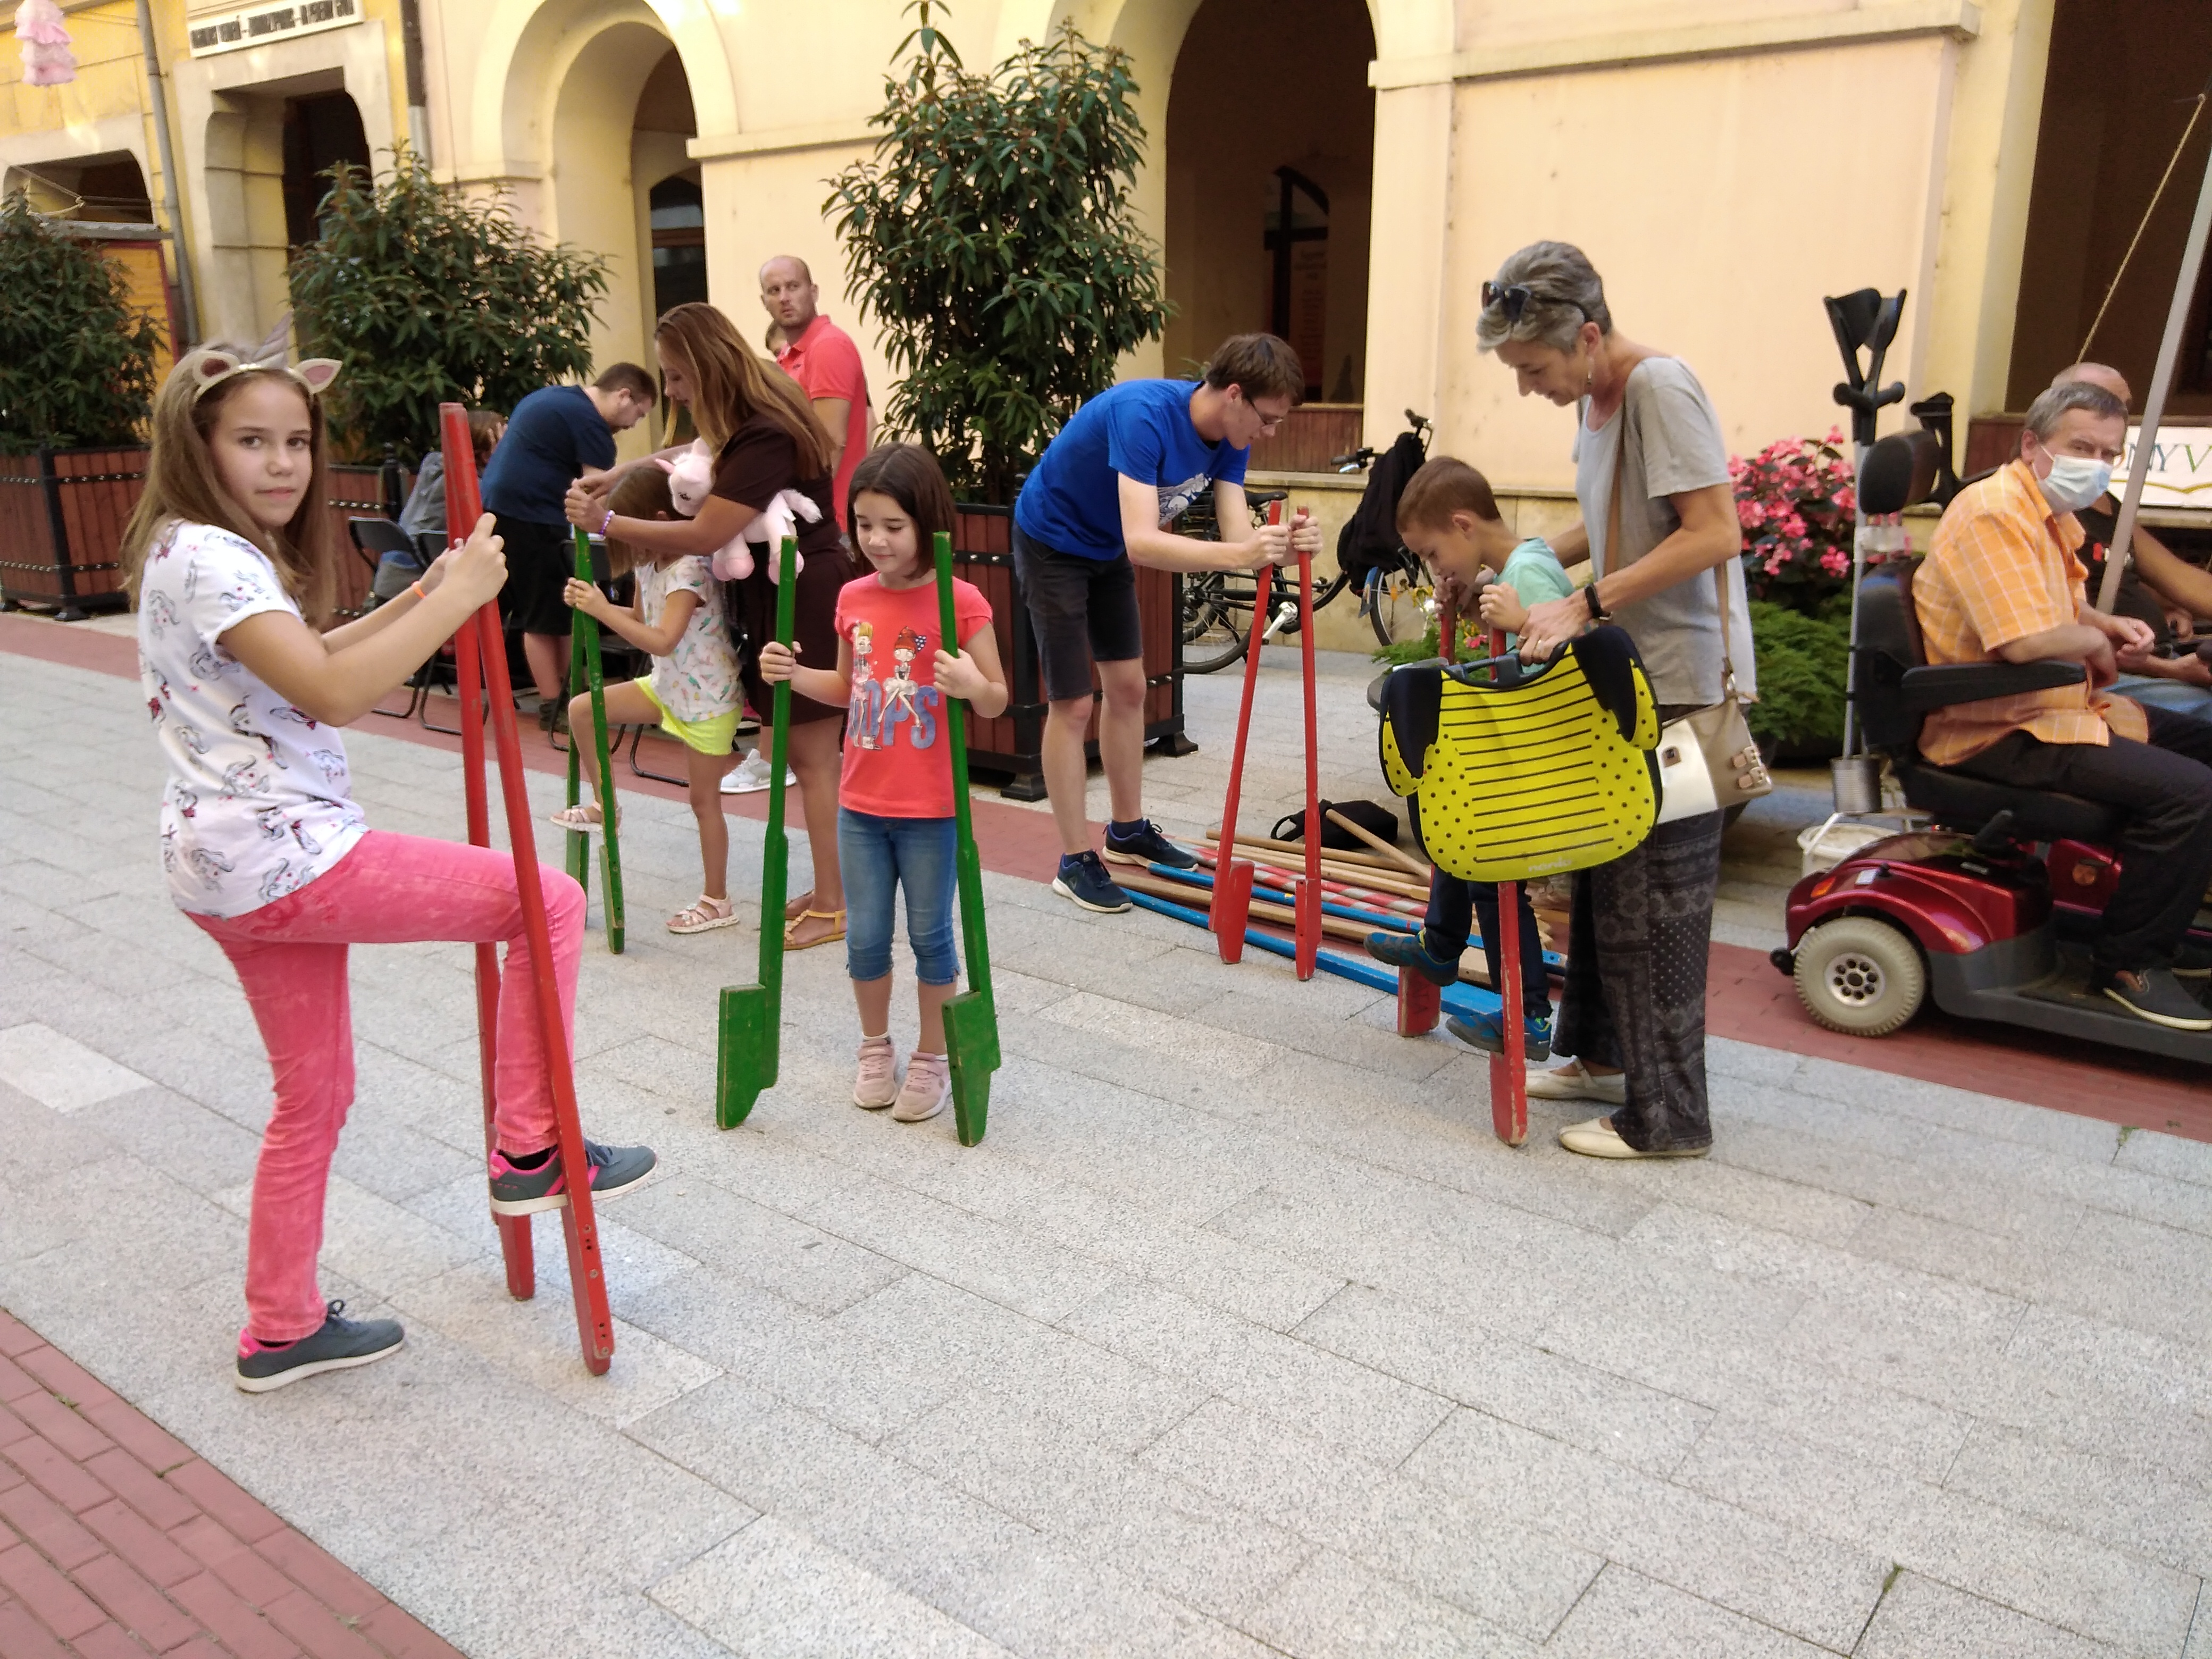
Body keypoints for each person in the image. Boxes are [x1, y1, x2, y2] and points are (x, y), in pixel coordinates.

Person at [122, 340, 655, 1393]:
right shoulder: (215, 557)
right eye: (252, 441)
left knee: (313, 1094)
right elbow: (333, 694)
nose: (283, 463)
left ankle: (280, 1326)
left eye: (297, 441)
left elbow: (314, 658)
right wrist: (456, 603)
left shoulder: (191, 549)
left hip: (223, 866)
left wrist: (425, 596)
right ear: (196, 444)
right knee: (547, 900)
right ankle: (531, 1146)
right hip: (283, 852)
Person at [1477, 240, 1752, 1160]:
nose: (1529, 388)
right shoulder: (1597, 401)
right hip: (1629, 680)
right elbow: (1609, 525)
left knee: (1658, 908)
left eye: (1535, 368)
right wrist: (1518, 562)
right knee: (1604, 878)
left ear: (1588, 336)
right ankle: (1600, 1057)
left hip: (1679, 693)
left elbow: (1715, 532)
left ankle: (1669, 1119)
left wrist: (1583, 604)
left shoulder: (1658, 388)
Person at [1915, 378, 2212, 1029]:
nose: (2096, 465)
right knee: (2191, 794)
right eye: (2081, 448)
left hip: (2056, 711)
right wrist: (2095, 641)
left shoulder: (2045, 512)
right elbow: (2023, 642)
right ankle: (2129, 964)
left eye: (2108, 454)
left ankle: (2163, 924)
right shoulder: (1993, 511)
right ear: (2031, 444)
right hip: (1999, 727)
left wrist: (2104, 624)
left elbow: (2060, 604)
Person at [568, 301, 856, 950]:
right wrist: (623, 473)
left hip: (803, 591)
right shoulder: (754, 410)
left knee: (813, 759)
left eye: (675, 376)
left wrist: (606, 523)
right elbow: (700, 454)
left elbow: (704, 532)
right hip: (784, 587)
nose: (671, 391)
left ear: (704, 365)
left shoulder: (764, 432)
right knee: (803, 756)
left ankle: (835, 903)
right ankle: (832, 887)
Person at [1013, 333, 1321, 913]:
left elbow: (1238, 537)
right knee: (1072, 703)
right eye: (1268, 419)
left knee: (1129, 687)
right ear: (1235, 395)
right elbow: (1143, 542)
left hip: (1104, 546)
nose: (1270, 433)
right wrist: (1244, 552)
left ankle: (1127, 831)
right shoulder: (1145, 415)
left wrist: (1283, 546)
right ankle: (1074, 860)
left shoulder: (1230, 437)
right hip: (1052, 540)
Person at [759, 445, 1009, 1121]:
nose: (875, 540)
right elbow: (848, 687)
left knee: (930, 936)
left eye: (892, 526)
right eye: (864, 524)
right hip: (860, 805)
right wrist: (791, 674)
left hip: (932, 808)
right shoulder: (853, 597)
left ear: (927, 521)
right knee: (865, 936)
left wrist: (970, 683)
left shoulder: (960, 599)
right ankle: (875, 1047)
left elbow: (996, 699)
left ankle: (932, 1056)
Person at [1363, 457, 1569, 1054]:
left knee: (1492, 878)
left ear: (1462, 525)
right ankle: (1440, 944)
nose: (1433, 568)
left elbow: (1565, 659)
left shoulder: (1529, 574)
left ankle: (1529, 1016)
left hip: (1536, 765)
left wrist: (1523, 619)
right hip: (1515, 757)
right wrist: (1468, 602)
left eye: (1432, 554)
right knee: (1454, 828)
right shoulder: (1515, 565)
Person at [552, 466, 745, 934]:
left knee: (703, 802)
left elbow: (661, 638)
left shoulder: (690, 568)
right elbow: (641, 618)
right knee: (582, 710)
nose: (631, 548)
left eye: (631, 535)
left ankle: (717, 900)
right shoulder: (649, 562)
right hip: (668, 686)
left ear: (659, 521)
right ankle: (607, 804)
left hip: (708, 699)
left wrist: (601, 610)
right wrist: (591, 602)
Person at [481, 364, 657, 720]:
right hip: (534, 517)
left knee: (555, 611)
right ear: (623, 396)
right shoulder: (590, 424)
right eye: (638, 415)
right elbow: (600, 492)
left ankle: (568, 694)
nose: (633, 425)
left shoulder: (551, 398)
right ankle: (555, 705)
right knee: (544, 616)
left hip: (499, 511)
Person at [2049, 362, 2212, 721]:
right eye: (2096, 402)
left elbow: (2179, 579)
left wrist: (2165, 606)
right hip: (2105, 674)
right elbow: (2058, 624)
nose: (2112, 415)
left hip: (2163, 656)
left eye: (2122, 408)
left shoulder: (2102, 501)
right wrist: (2170, 670)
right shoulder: (2040, 507)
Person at [759, 256, 870, 529]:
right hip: (806, 514)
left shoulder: (827, 346)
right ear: (764, 302)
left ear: (814, 292)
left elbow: (831, 443)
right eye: (774, 291)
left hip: (827, 519)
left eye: (793, 286)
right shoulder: (788, 353)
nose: (784, 298)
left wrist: (806, 515)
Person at [395, 408, 505, 567]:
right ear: (487, 455)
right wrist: (500, 462)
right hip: (420, 574)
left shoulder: (435, 466)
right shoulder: (470, 488)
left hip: (395, 568)